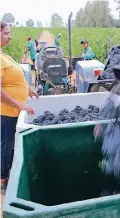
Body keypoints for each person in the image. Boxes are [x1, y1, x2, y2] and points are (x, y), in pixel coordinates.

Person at [1, 22, 39, 193]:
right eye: (6, 33)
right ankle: (3, 180)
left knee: (11, 144)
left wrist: (28, 88)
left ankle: (8, 174)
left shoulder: (3, 54)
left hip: (15, 111)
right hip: (8, 112)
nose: (10, 36)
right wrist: (20, 105)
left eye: (10, 33)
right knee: (6, 146)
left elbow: (13, 78)